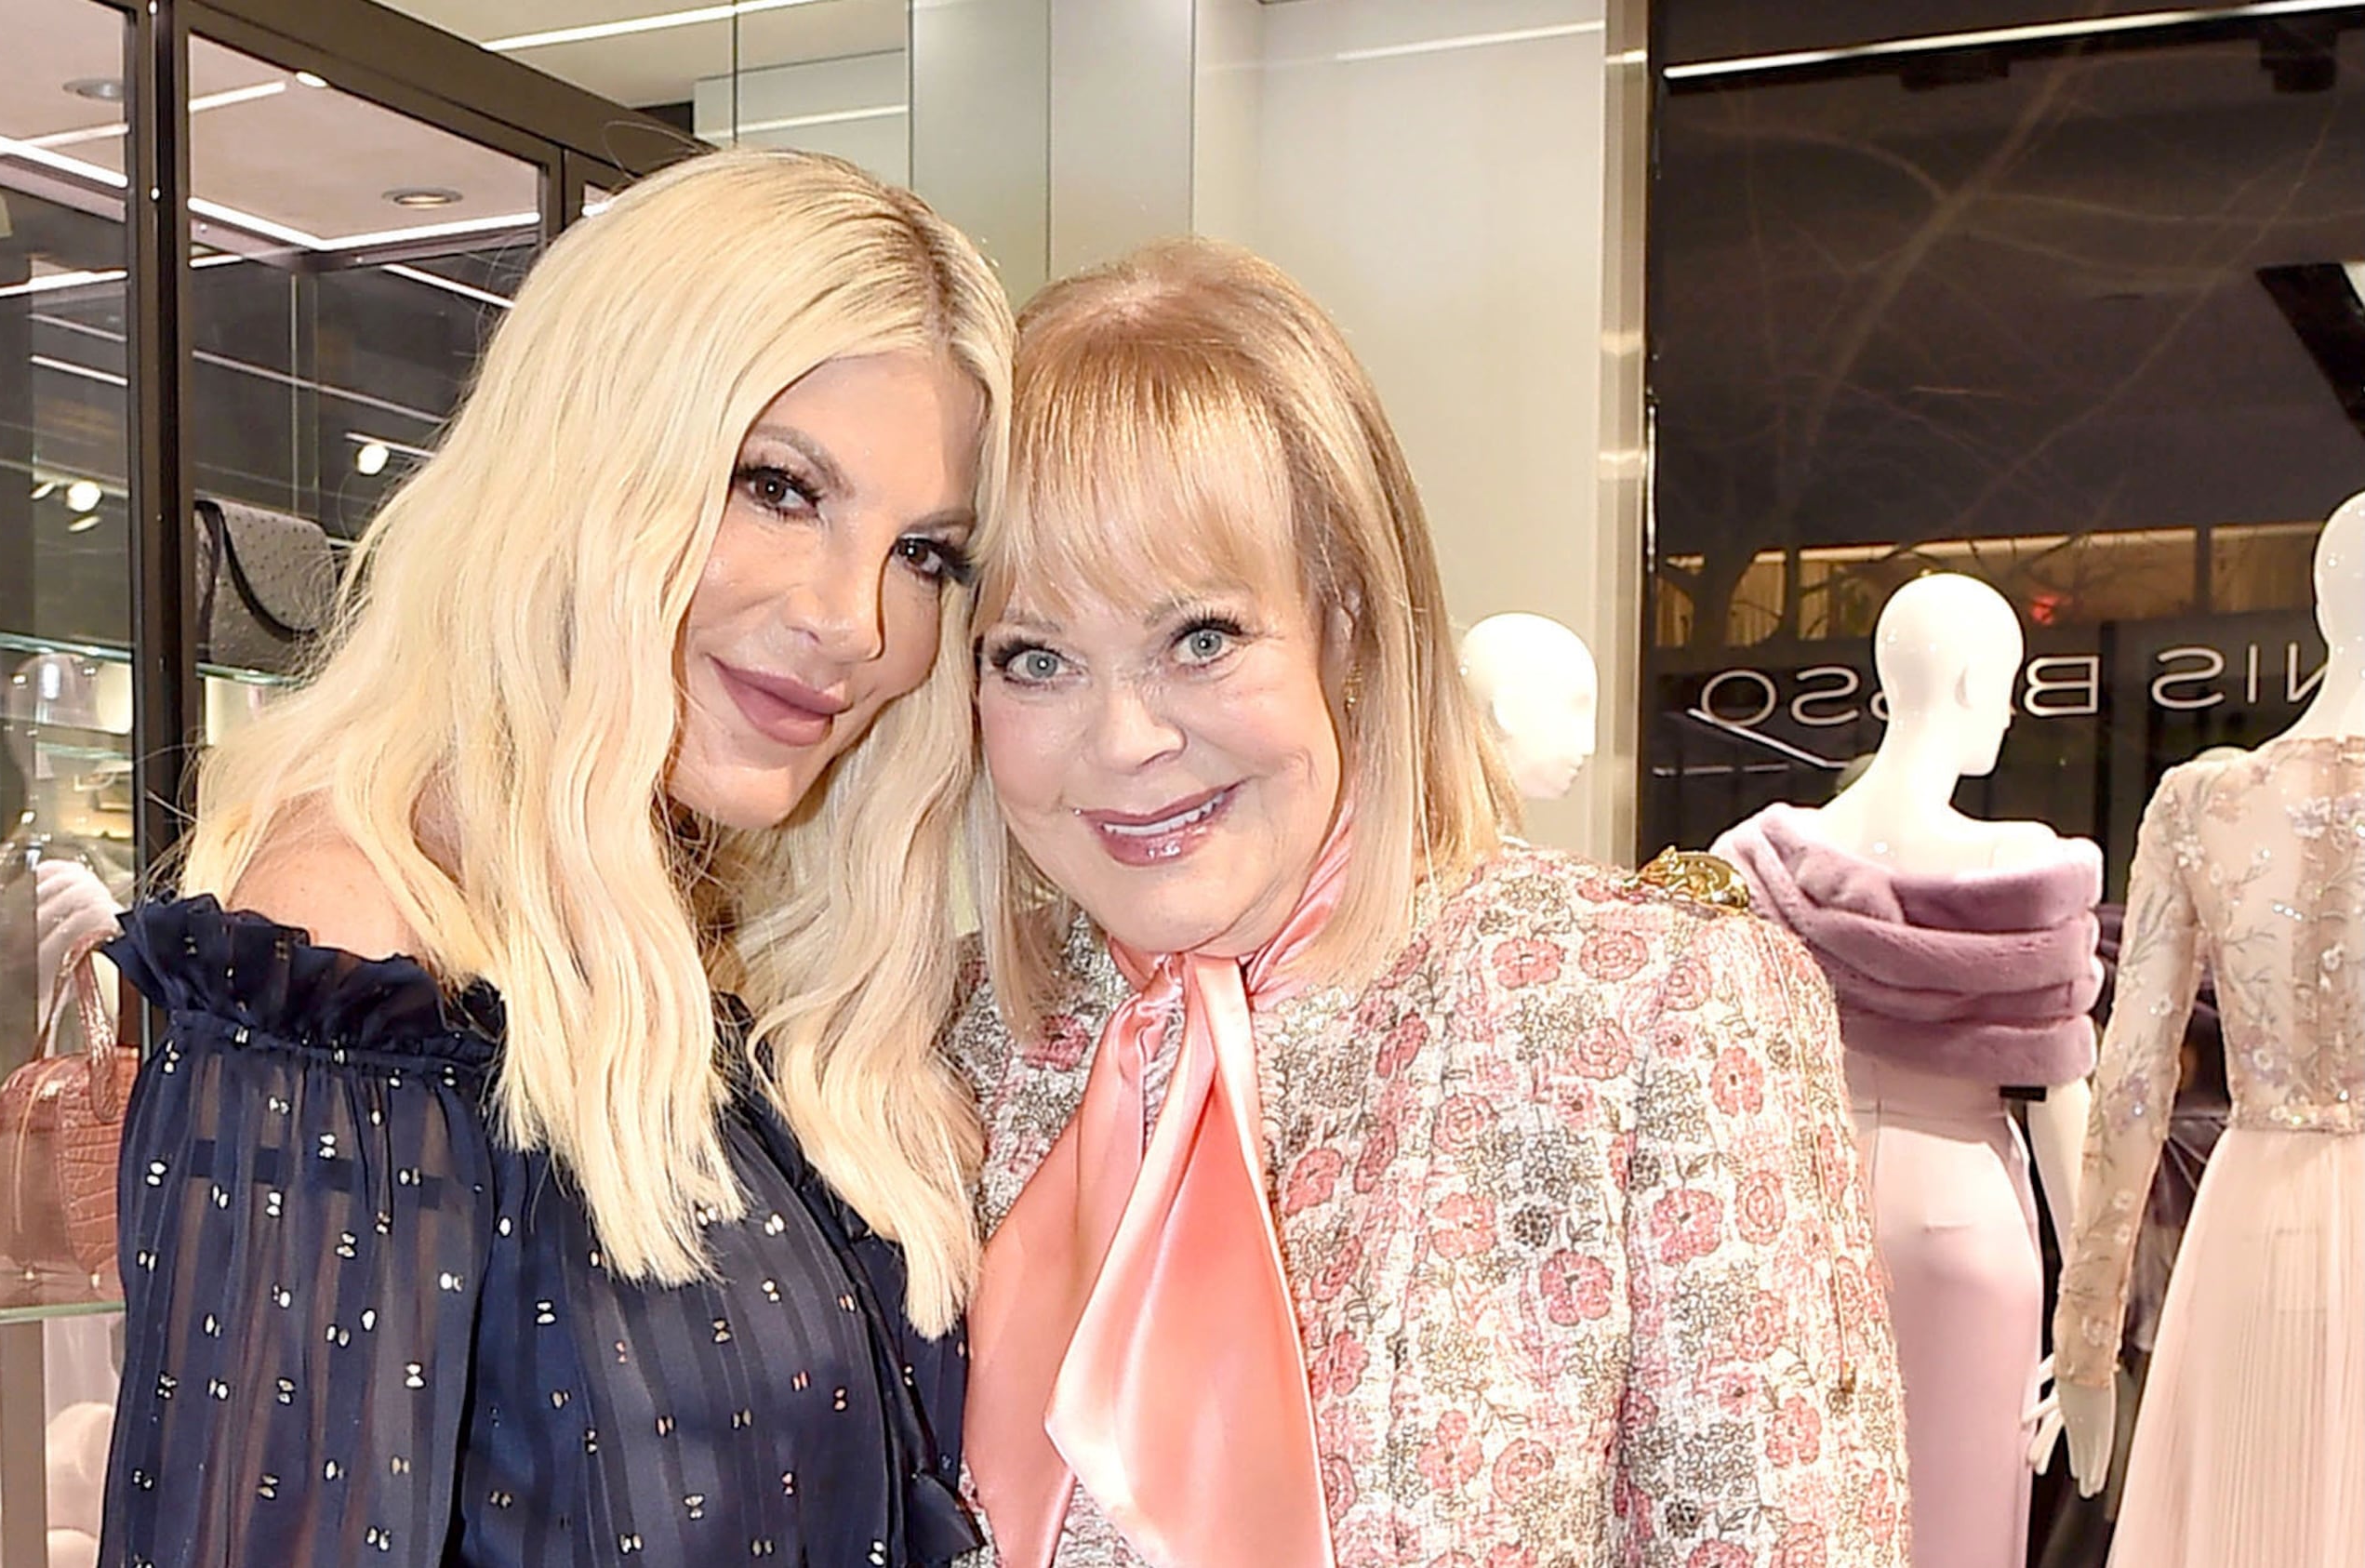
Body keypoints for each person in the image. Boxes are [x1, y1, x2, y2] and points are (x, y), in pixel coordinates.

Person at [97, 147, 1011, 1568]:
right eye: (777, 487)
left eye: (924, 555)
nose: (857, 622)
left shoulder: (725, 936)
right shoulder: (356, 953)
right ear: (594, 463)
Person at [947, 239, 1909, 1567]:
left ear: (1345, 617)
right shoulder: (951, 1040)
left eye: (1200, 637)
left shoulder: (1642, 1016)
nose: (1121, 740)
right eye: (1035, 655)